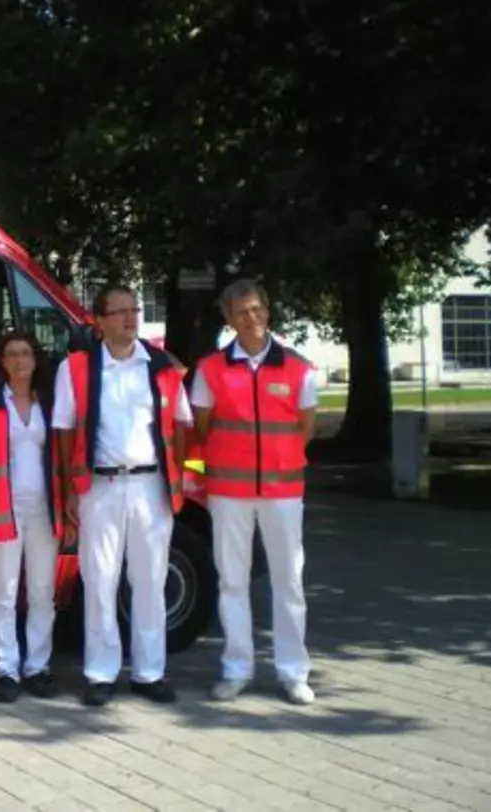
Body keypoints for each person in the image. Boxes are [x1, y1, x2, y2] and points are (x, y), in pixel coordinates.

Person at [52, 284, 192, 707]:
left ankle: (150, 672)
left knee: (150, 581)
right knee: (99, 581)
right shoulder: (75, 367)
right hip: (99, 487)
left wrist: (177, 478)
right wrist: (70, 488)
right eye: (120, 312)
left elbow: (181, 424)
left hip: (151, 487)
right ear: (99, 321)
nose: (131, 318)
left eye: (134, 310)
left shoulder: (163, 366)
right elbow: (64, 431)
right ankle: (101, 672)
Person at [192, 278, 320, 705]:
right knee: (232, 580)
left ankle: (293, 671)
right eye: (242, 312)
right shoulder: (210, 369)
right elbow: (202, 427)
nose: (251, 318)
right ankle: (236, 668)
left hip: (283, 489)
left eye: (257, 309)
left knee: (289, 579)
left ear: (267, 312)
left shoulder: (298, 367)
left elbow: (305, 428)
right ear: (229, 319)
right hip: (229, 489)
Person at [0, 331, 61, 702]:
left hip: (44, 510)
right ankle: (6, 669)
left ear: (35, 360)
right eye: (12, 354)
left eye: (26, 353)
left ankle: (37, 666)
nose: (20, 360)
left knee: (42, 592)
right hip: (1, 508)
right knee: (4, 592)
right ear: (2, 362)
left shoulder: (50, 404)